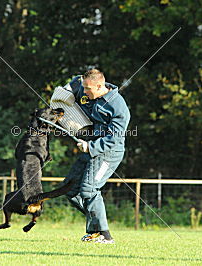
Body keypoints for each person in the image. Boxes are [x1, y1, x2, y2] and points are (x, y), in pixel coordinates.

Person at [62, 69, 130, 244]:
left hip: (108, 153)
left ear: (99, 86)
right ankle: (95, 228)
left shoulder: (118, 106)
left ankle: (104, 234)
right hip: (90, 149)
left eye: (87, 89)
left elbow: (114, 138)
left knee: (89, 189)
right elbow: (69, 87)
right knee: (70, 189)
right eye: (83, 88)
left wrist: (90, 146)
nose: (84, 92)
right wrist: (62, 97)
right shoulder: (86, 88)